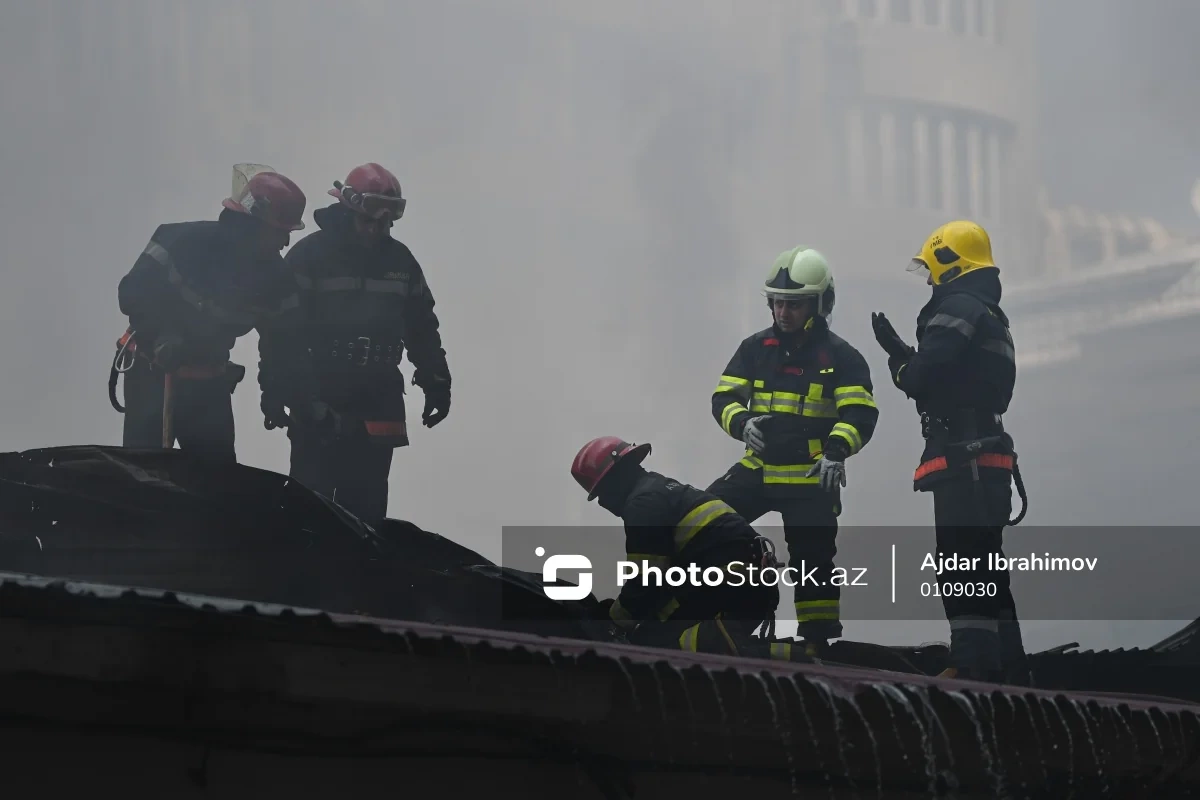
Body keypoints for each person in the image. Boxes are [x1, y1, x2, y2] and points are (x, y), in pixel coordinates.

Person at [870, 219, 1029, 684]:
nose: (929, 281)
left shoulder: (956, 305)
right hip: (987, 457)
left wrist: (899, 358)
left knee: (961, 561)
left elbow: (923, 380)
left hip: (966, 458)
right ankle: (1009, 668)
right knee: (986, 565)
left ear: (949, 264)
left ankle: (973, 665)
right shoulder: (986, 311)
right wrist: (908, 354)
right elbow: (955, 376)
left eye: (931, 269)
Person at [705, 246, 878, 655]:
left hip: (811, 475)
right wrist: (742, 423)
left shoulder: (841, 358)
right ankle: (712, 616)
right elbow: (723, 398)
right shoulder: (754, 348)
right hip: (757, 470)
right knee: (703, 521)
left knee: (813, 561)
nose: (783, 313)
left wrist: (836, 452)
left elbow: (860, 415)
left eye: (794, 305)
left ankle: (816, 646)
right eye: (778, 303)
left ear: (819, 304)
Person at [257, 162, 451, 526]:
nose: (377, 231)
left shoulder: (401, 261)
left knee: (366, 514)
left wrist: (436, 381)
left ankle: (358, 581)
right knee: (308, 509)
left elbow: (422, 326)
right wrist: (274, 391)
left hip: (378, 400)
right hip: (319, 397)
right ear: (348, 211)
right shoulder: (309, 257)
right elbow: (279, 334)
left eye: (385, 224)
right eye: (369, 221)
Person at [113, 165, 306, 462]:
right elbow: (132, 293)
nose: (285, 243)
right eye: (279, 231)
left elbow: (279, 343)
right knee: (144, 472)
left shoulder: (277, 280)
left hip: (208, 383)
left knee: (217, 482)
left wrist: (274, 395)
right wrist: (163, 334)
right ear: (254, 222)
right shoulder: (182, 242)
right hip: (153, 374)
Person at [570, 435, 799, 659]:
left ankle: (780, 658)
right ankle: (753, 649)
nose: (602, 503)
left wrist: (613, 622)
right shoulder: (658, 490)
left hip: (729, 586)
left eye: (601, 493)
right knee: (655, 628)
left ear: (615, 479)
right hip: (740, 586)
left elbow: (646, 580)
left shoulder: (643, 504)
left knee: (650, 645)